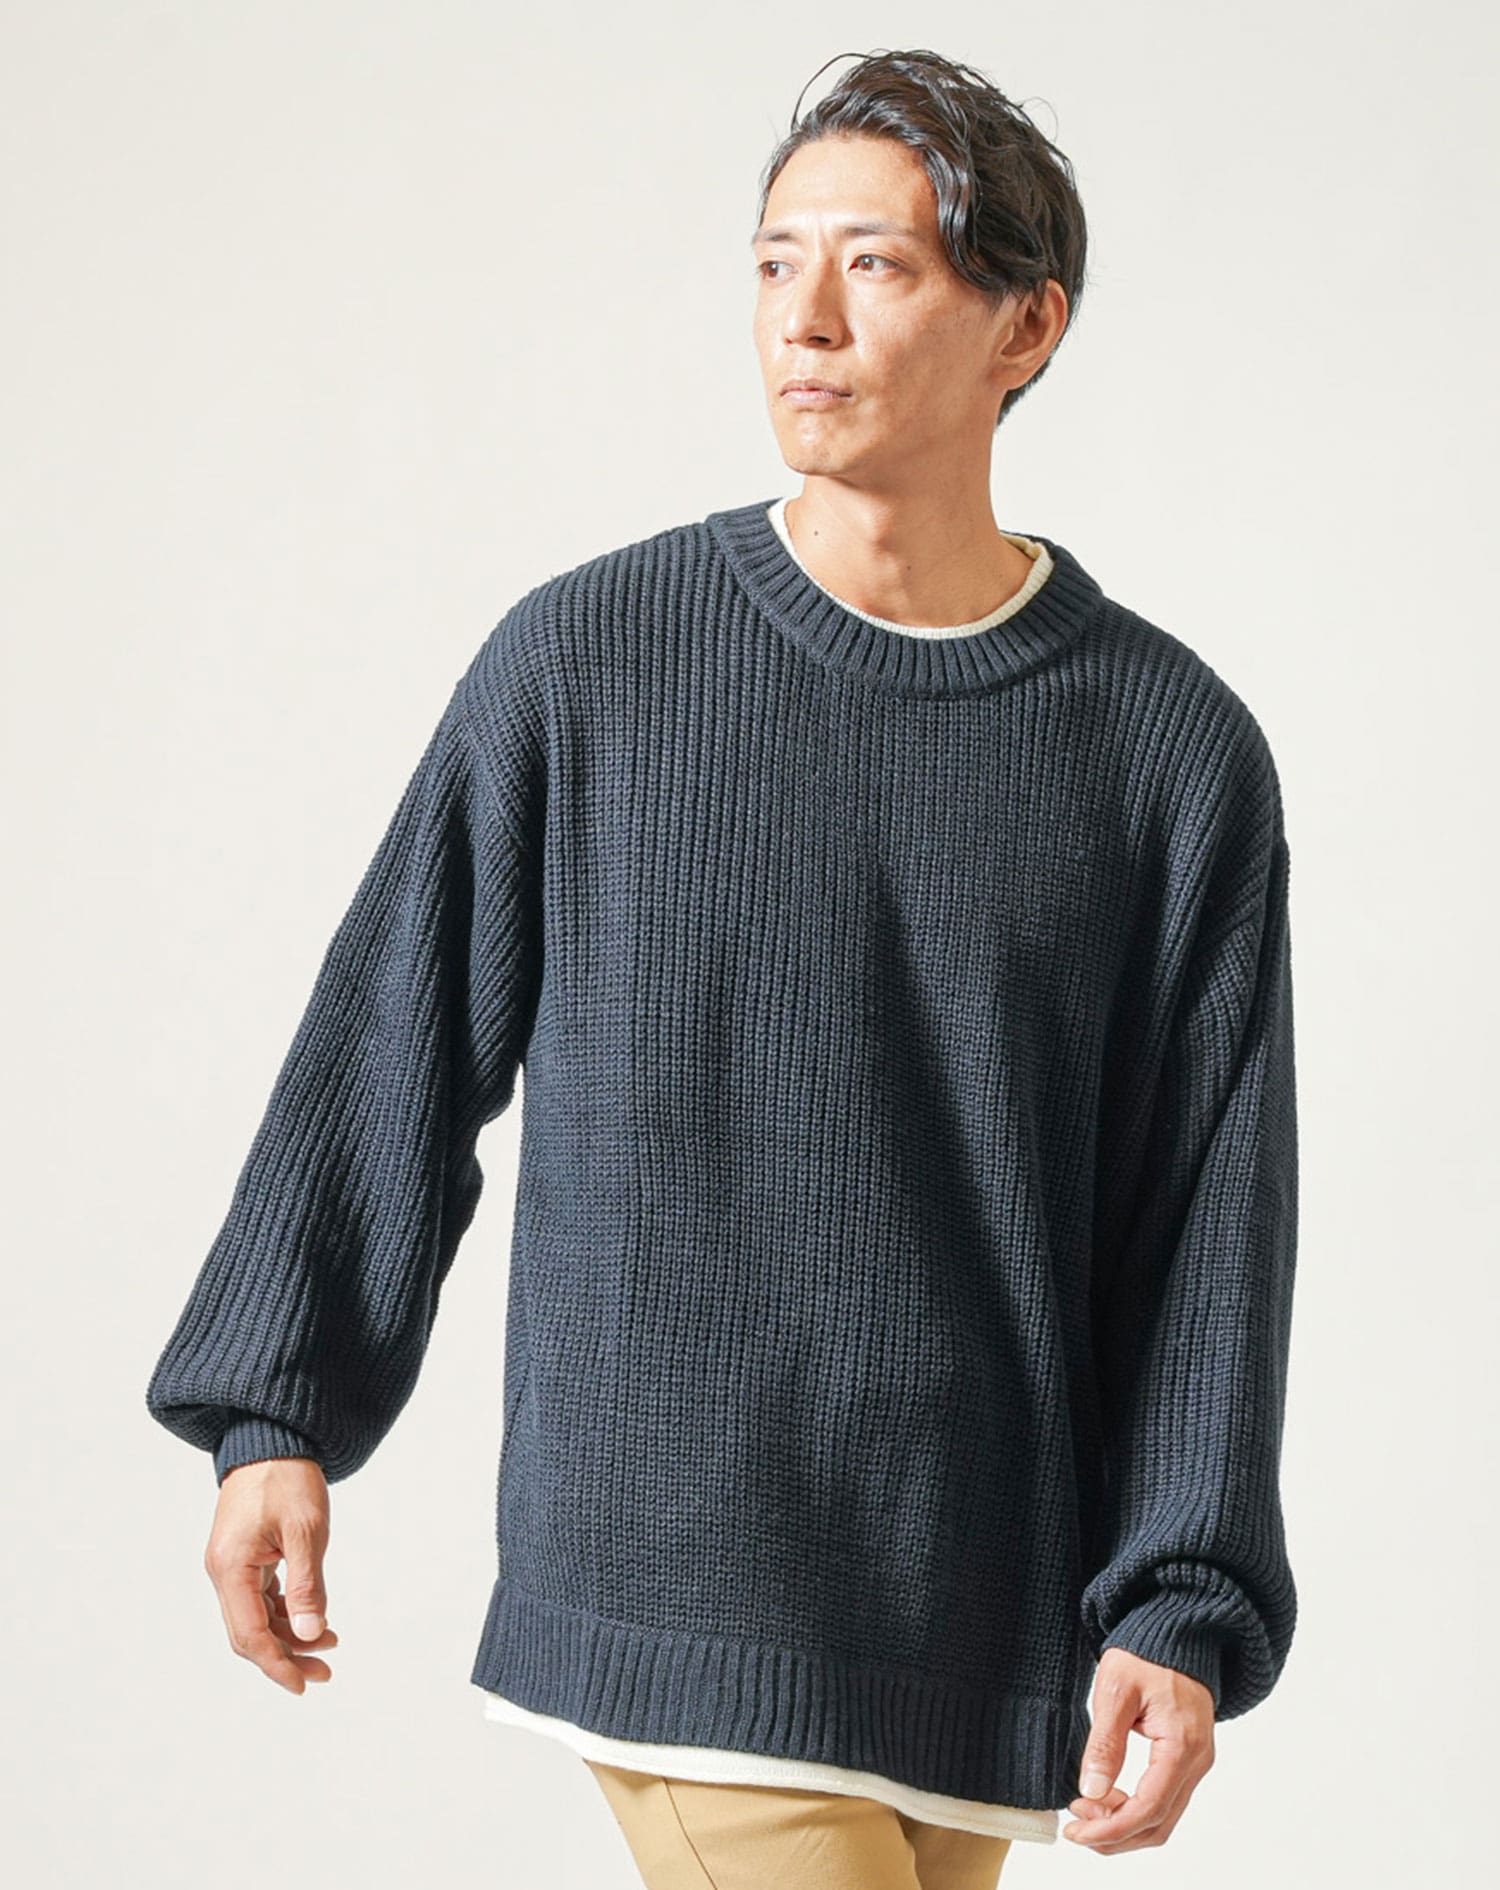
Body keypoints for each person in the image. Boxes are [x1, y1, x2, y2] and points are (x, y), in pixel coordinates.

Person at [145, 46, 1300, 1887]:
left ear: (1026, 324)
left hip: (976, 1601)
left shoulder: (1169, 750)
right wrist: (274, 1408)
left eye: (875, 265)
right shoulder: (593, 662)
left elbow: (1207, 1225)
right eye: (774, 262)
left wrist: (1180, 1598)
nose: (802, 318)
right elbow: (393, 1044)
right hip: (687, 1569)